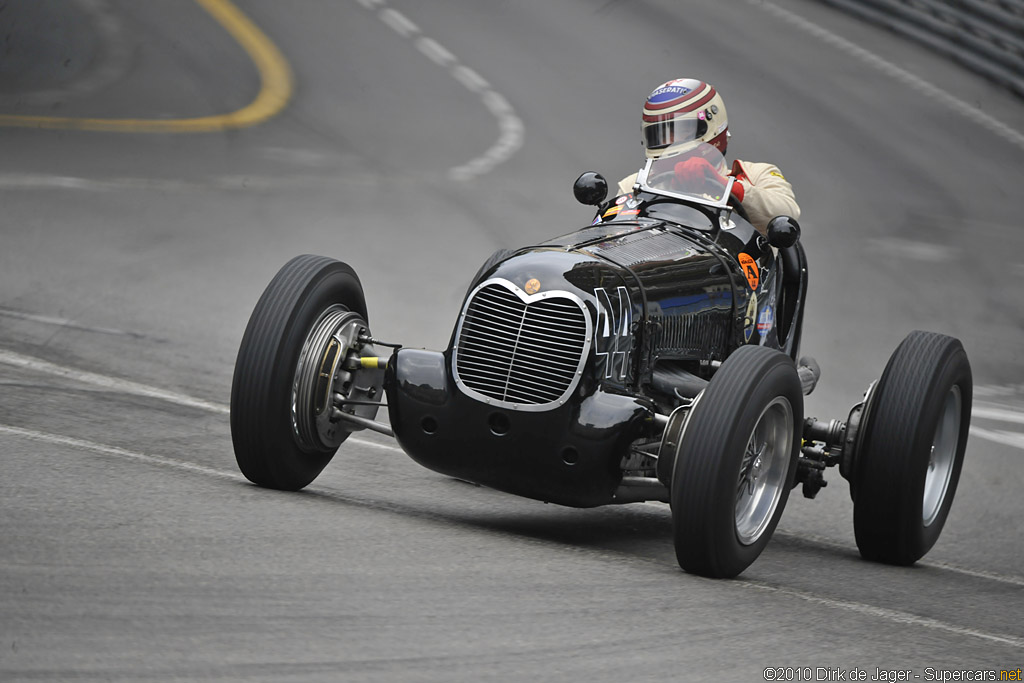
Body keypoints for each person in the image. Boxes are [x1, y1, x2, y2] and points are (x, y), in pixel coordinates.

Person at [616, 78, 800, 235]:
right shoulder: (635, 185)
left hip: (732, 272)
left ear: (711, 125)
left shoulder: (755, 174)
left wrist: (723, 185)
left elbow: (787, 217)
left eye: (681, 130)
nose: (670, 140)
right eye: (660, 134)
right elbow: (613, 237)